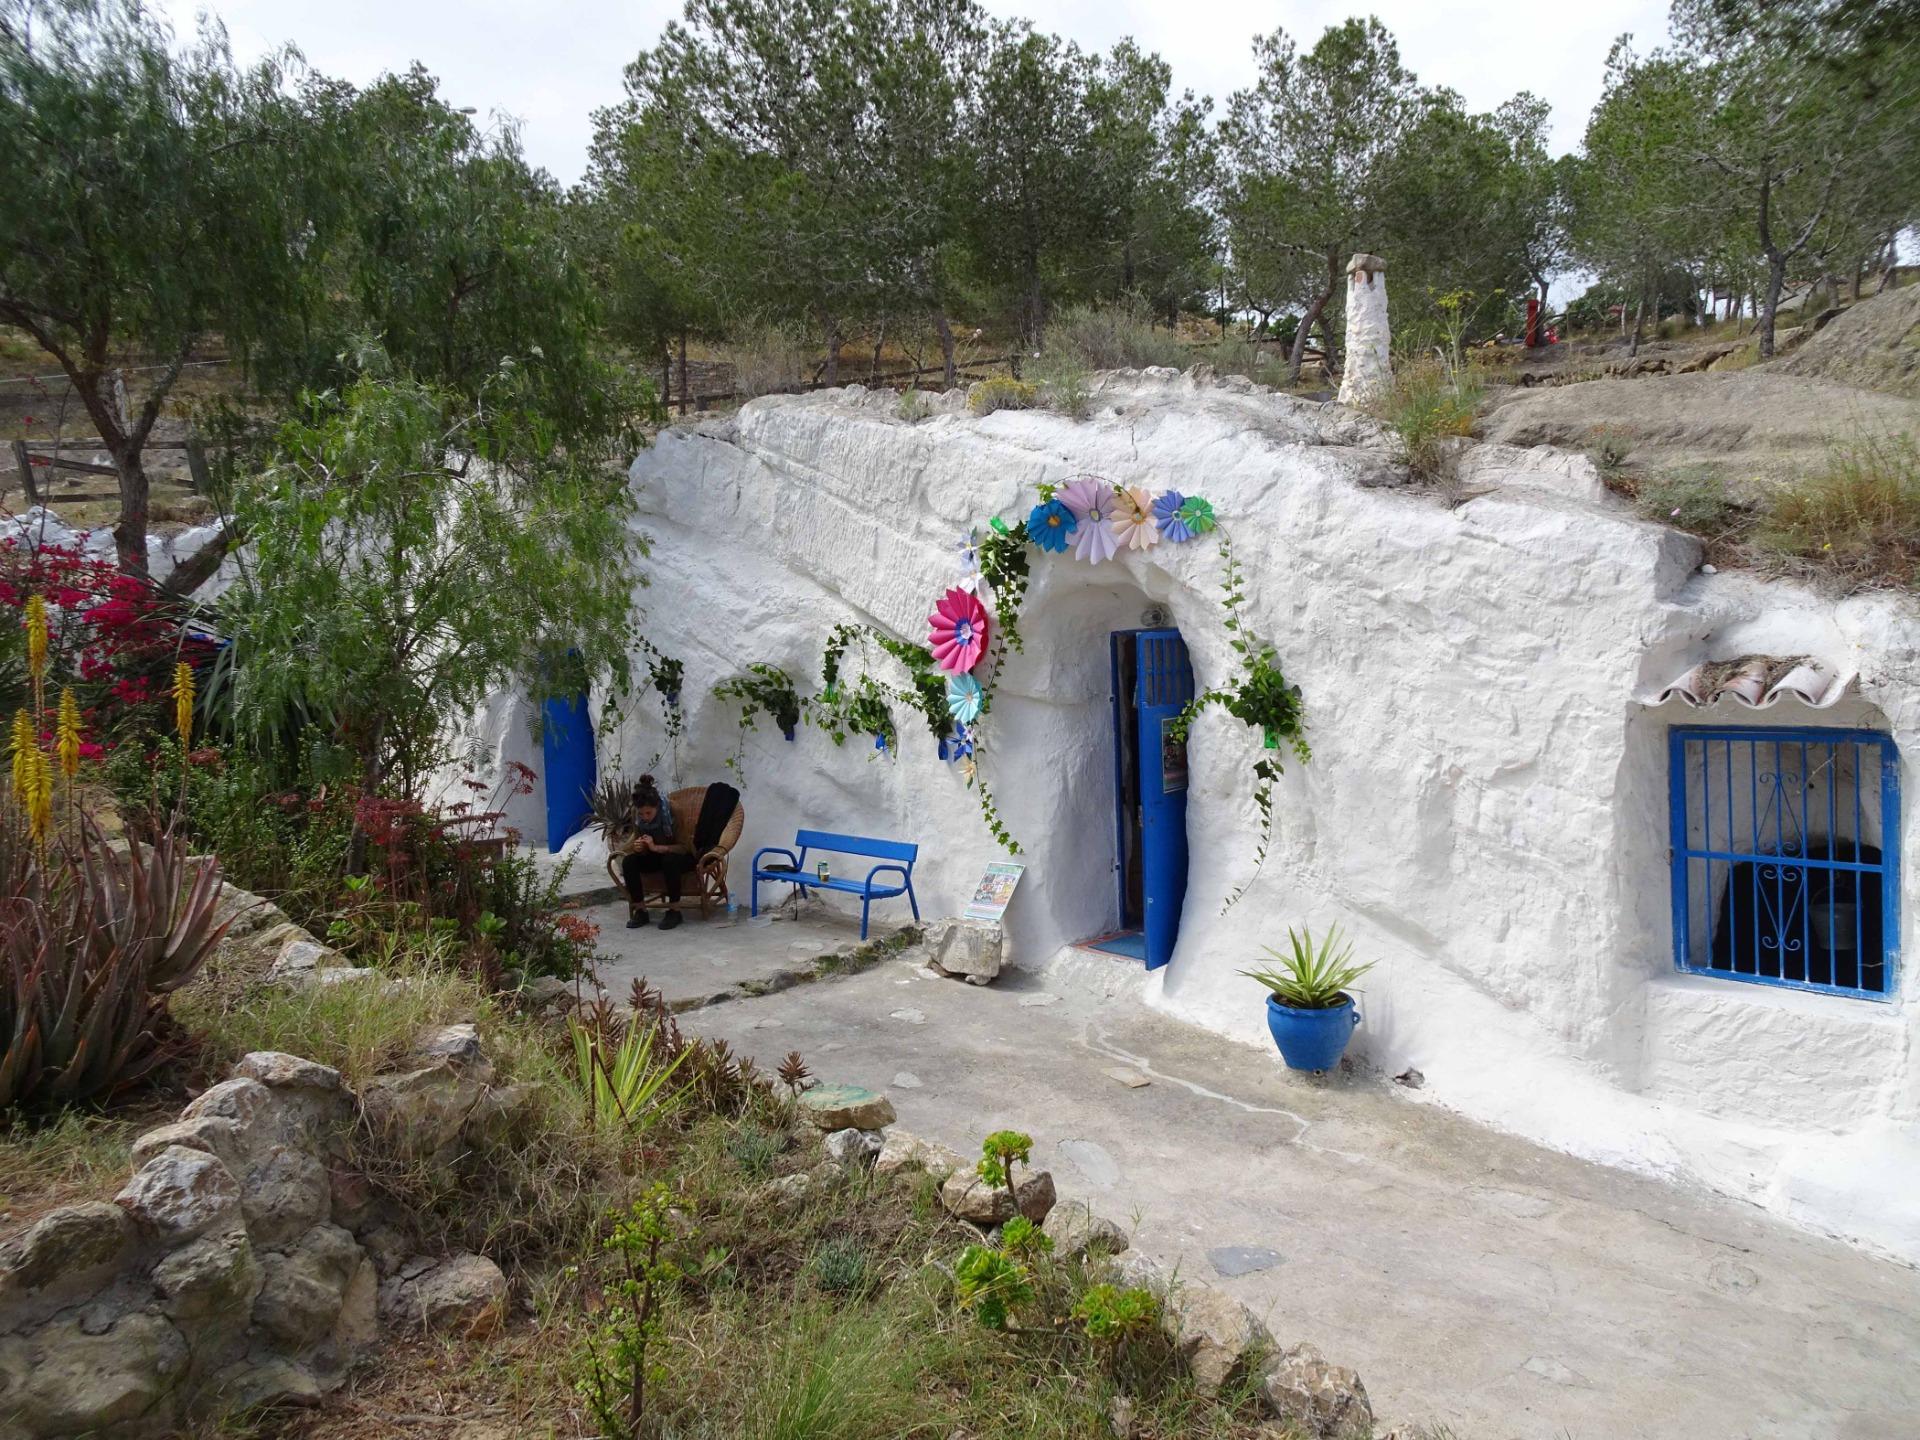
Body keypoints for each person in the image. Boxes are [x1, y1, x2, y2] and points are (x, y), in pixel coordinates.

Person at [621, 775, 688, 931]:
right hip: (654, 855)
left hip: (679, 857)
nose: (644, 818)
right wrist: (639, 847)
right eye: (641, 814)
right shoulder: (636, 814)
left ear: (657, 806)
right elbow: (639, 840)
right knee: (629, 862)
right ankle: (640, 910)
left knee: (669, 861)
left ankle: (675, 911)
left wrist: (657, 847)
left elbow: (684, 847)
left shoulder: (673, 811)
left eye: (648, 813)